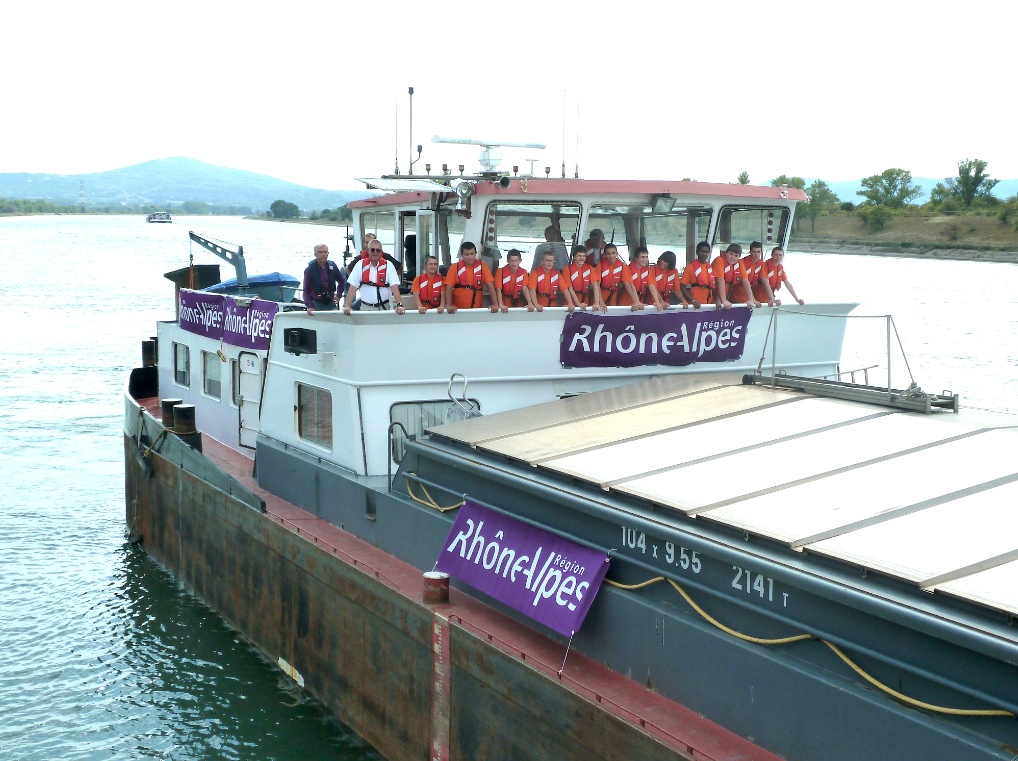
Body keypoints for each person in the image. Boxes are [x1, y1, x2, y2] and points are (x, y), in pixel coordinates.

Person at [344, 242, 405, 314]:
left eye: (378, 250)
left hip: (384, 308)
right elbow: (353, 287)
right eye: (372, 250)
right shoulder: (360, 264)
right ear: (368, 251)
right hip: (365, 308)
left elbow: (394, 287)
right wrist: (347, 306)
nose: (375, 252)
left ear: (381, 252)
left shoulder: (388, 265)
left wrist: (399, 305)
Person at [444, 241, 499, 313]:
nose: (470, 257)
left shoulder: (482, 266)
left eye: (472, 254)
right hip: (457, 310)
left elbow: (490, 285)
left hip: (477, 310)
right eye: (467, 254)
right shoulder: (454, 267)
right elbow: (448, 287)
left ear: (475, 254)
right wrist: (448, 305)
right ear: (462, 255)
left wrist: (495, 304)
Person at [712, 243, 759, 309]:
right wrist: (724, 300)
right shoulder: (719, 260)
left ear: (739, 257)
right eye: (730, 254)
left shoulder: (739, 263)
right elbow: (720, 280)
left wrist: (750, 299)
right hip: (714, 295)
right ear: (726, 253)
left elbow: (745, 281)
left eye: (736, 256)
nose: (732, 258)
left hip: (726, 296)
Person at [303, 243, 346, 315]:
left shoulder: (332, 266)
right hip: (316, 303)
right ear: (315, 254)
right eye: (320, 252)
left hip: (331, 302)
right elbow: (306, 289)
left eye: (325, 252)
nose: (323, 254)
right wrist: (309, 306)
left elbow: (341, 280)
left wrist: (339, 295)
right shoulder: (309, 270)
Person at [596, 243, 640, 311]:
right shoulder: (600, 265)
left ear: (617, 253)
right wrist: (600, 302)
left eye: (613, 253)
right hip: (602, 295)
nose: (611, 256)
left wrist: (635, 302)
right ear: (604, 255)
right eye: (608, 254)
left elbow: (627, 285)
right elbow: (597, 285)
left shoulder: (622, 266)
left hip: (614, 297)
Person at [736, 241, 778, 306]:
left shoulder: (760, 263)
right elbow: (745, 281)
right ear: (750, 252)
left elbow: (764, 280)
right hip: (738, 297)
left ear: (761, 252)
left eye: (758, 252)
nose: (756, 254)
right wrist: (753, 300)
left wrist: (772, 298)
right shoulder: (742, 262)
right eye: (754, 252)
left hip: (749, 299)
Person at [562, 245, 601, 311]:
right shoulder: (567, 269)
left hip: (585, 303)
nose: (582, 258)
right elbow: (570, 288)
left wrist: (596, 303)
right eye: (579, 256)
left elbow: (595, 285)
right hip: (571, 304)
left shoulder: (589, 268)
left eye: (584, 256)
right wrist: (578, 304)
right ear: (574, 257)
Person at [680, 241, 715, 309]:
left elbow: (713, 286)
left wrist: (717, 299)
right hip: (694, 305)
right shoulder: (690, 267)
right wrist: (693, 300)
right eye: (702, 251)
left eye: (706, 252)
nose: (704, 254)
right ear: (697, 252)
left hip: (708, 304)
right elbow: (682, 286)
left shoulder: (710, 267)